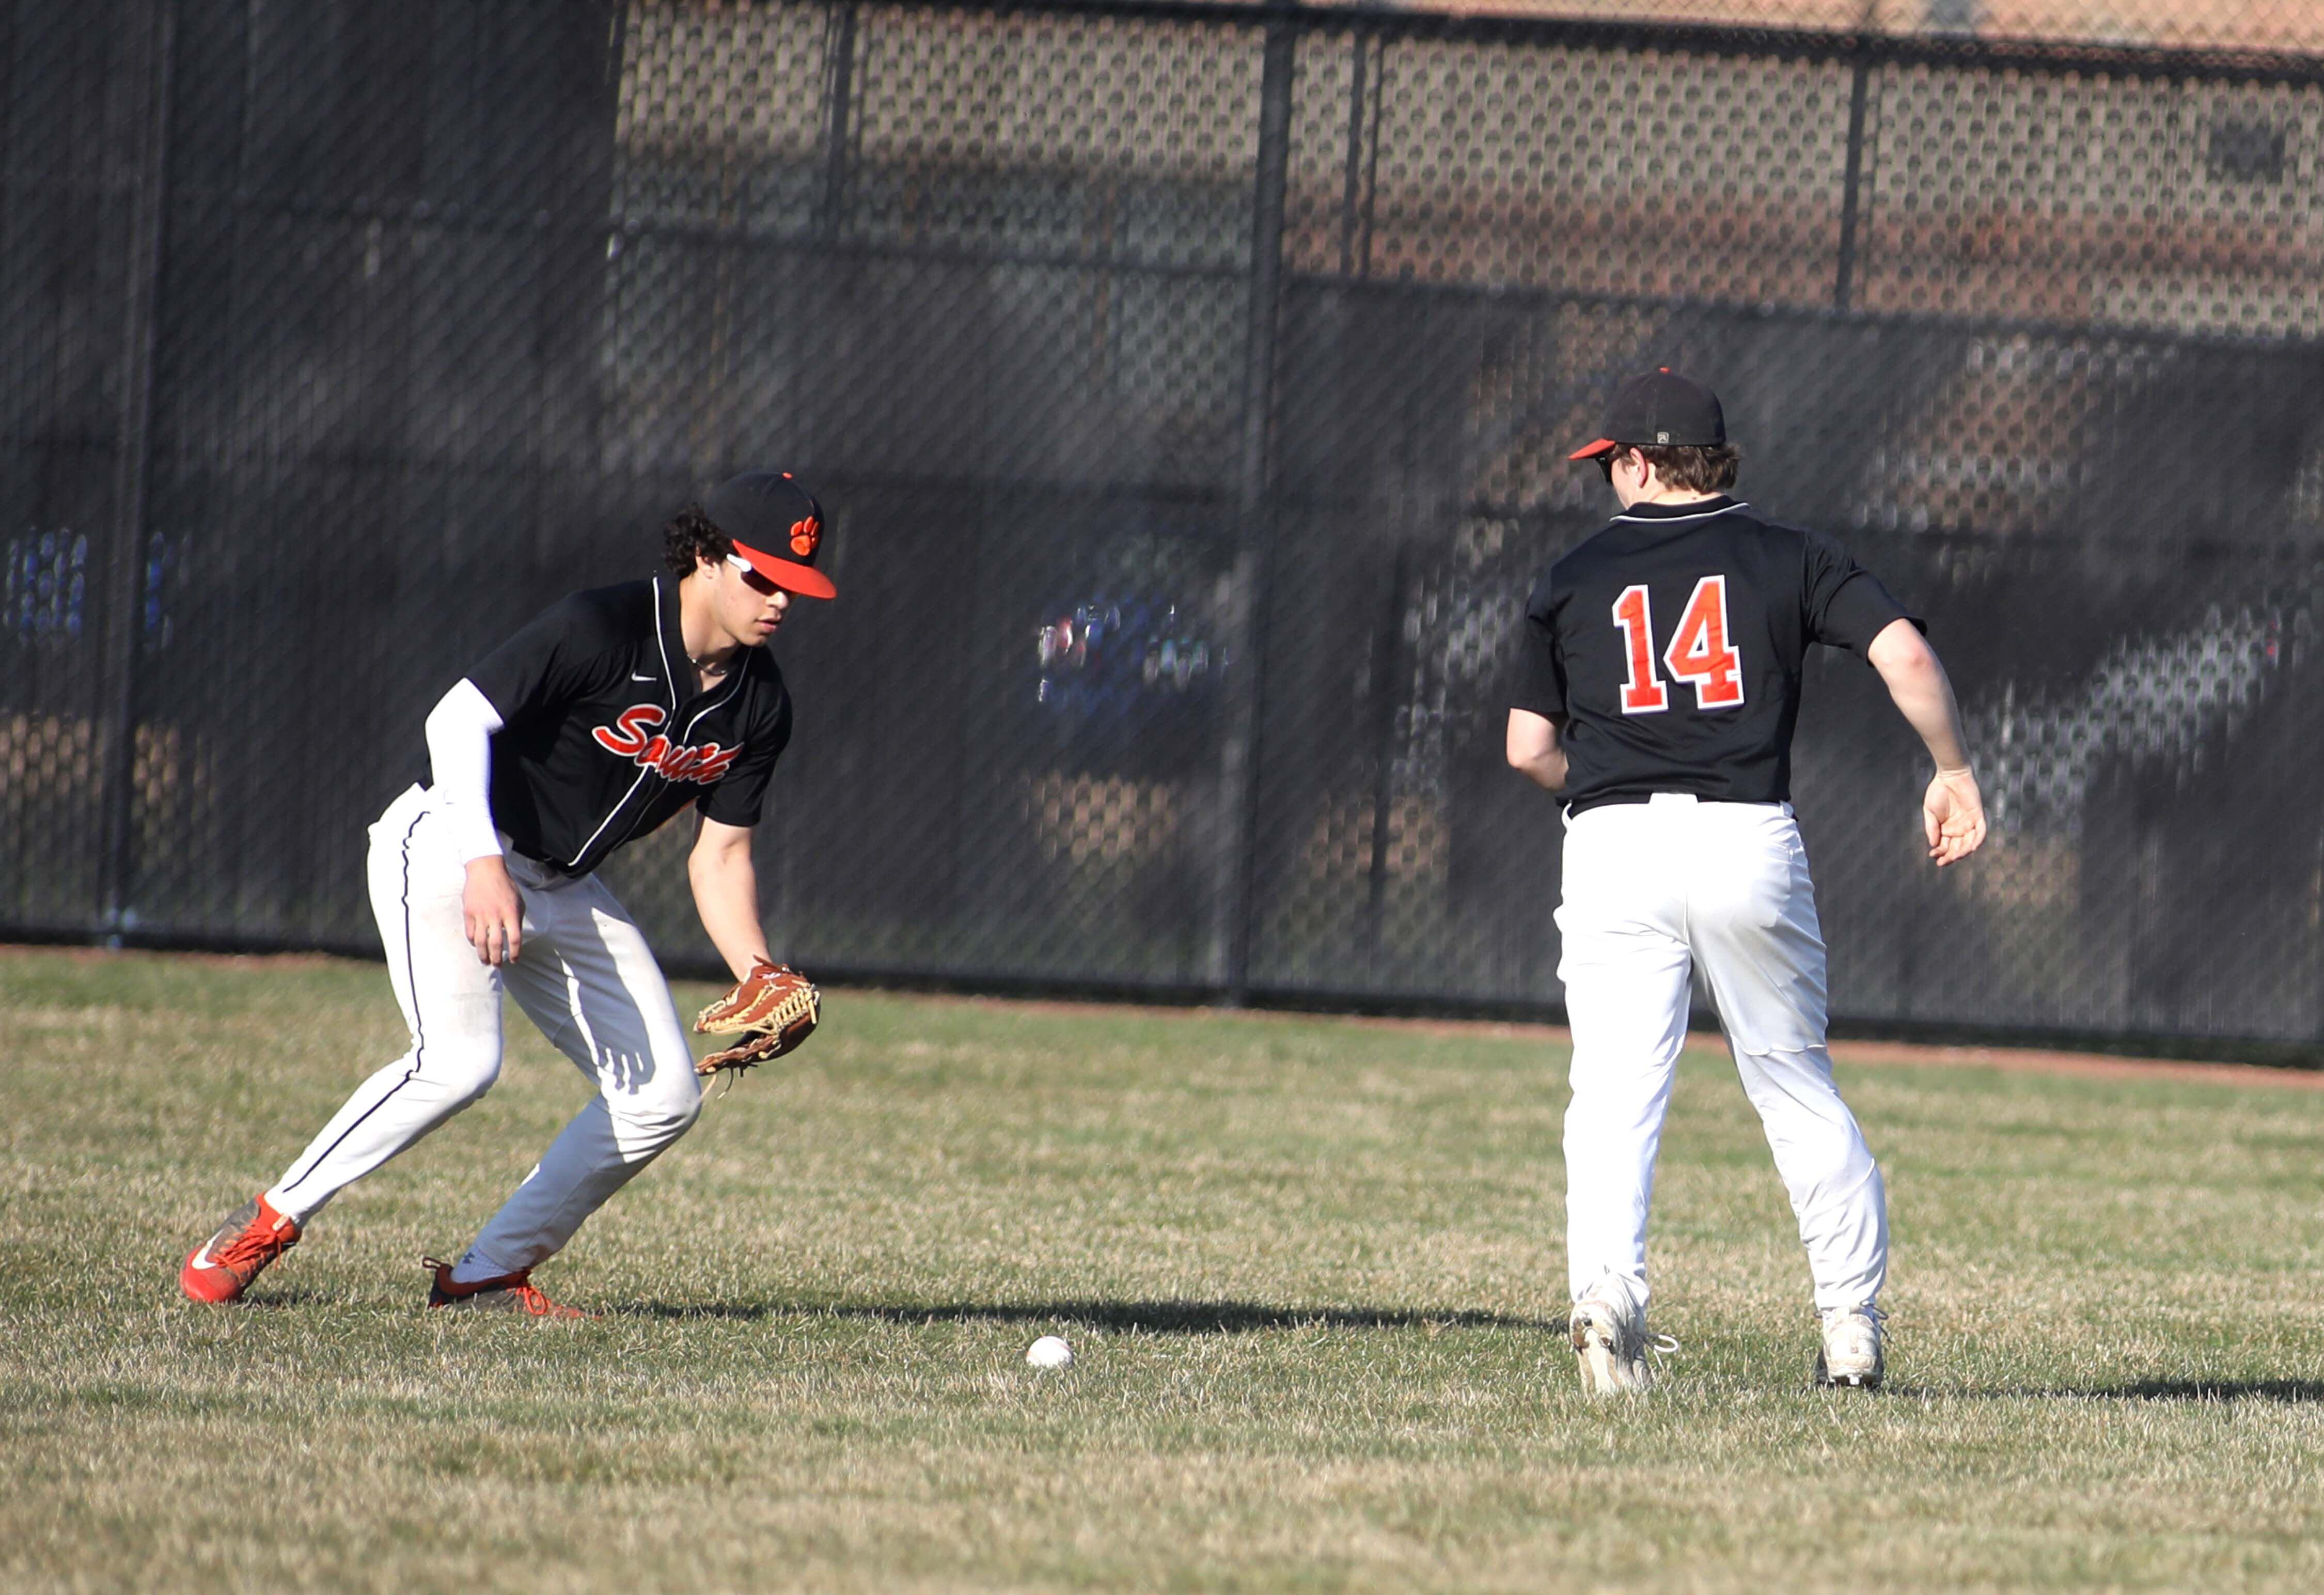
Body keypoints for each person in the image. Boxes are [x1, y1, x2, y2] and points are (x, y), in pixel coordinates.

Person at [180, 472, 836, 1315]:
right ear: (707, 556)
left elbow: (721, 855)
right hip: (451, 839)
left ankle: (487, 1273)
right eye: (763, 574)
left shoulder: (760, 704)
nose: (781, 599)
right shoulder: (605, 623)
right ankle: (267, 1222)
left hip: (563, 881)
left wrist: (758, 971)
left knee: (663, 1098)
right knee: (459, 1063)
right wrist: (483, 864)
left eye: (798, 586)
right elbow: (454, 720)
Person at [1506, 371, 1985, 1393]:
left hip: (1612, 840)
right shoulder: (1790, 554)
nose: (1608, 481)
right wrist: (1950, 768)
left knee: (1613, 1095)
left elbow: (1525, 747)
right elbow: (1902, 651)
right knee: (1792, 1080)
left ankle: (1608, 1296)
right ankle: (1850, 1328)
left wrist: (1595, 786)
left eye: (1611, 464)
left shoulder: (1573, 574)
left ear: (1636, 461)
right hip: (1743, 835)